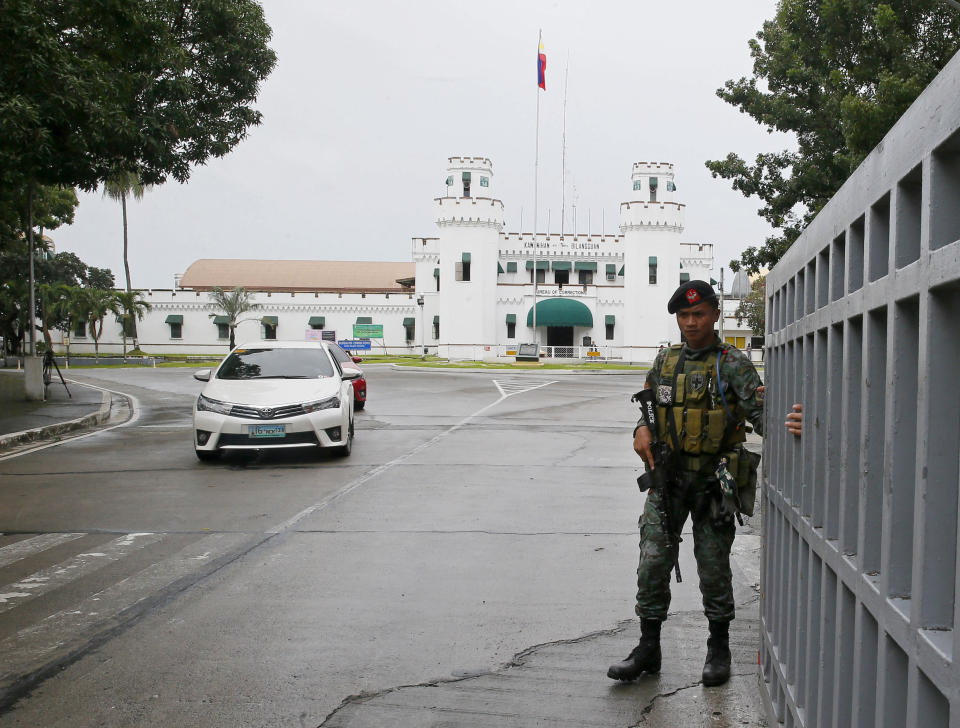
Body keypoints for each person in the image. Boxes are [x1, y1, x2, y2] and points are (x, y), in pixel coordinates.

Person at [607, 280, 801, 687]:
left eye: (698, 314)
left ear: (715, 314)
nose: (691, 322)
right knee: (653, 561)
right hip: (669, 479)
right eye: (684, 315)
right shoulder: (665, 361)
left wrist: (792, 425)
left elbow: (764, 416)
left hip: (714, 480)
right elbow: (651, 410)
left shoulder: (732, 363)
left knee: (713, 566)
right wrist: (641, 429)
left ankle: (718, 646)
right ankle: (648, 647)